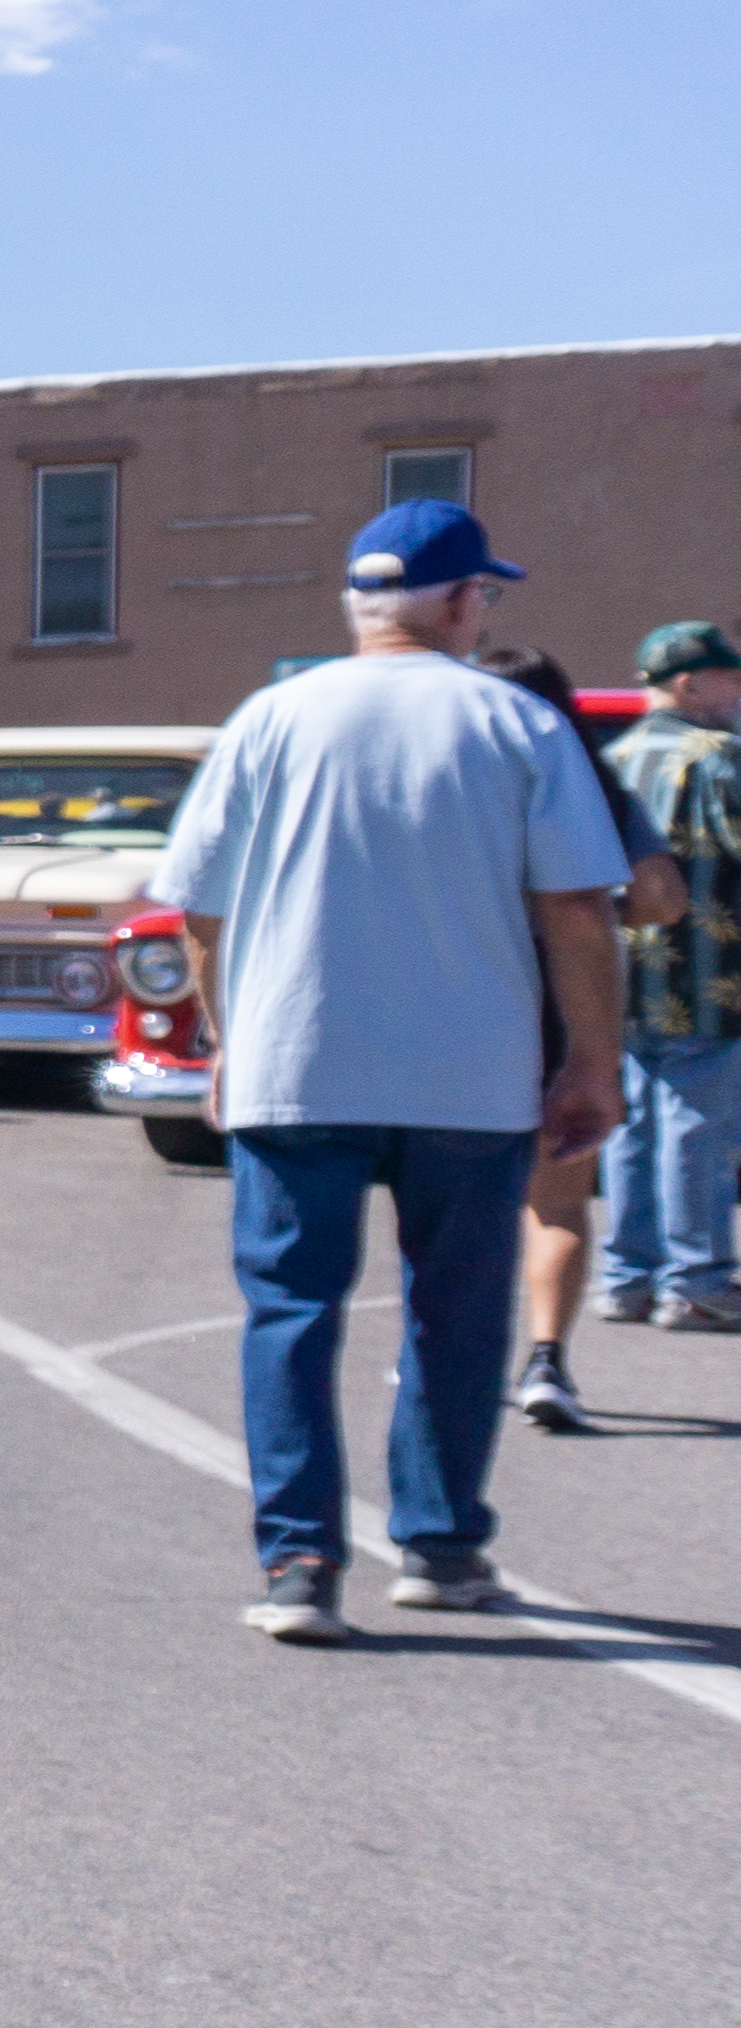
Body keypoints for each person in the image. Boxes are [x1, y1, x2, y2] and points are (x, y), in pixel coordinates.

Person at [139, 501, 629, 1645]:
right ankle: (443, 1544)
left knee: (290, 1312)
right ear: (462, 602)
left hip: (297, 1059)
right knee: (454, 1314)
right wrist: (592, 1062)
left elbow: (199, 910)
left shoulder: (268, 719)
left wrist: (227, 1040)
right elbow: (574, 909)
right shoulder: (517, 724)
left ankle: (300, 1562)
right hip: (469, 1069)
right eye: (483, 596)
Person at [474, 644, 680, 1430]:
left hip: (459, 1008)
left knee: (446, 1196)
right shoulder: (591, 782)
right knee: (557, 1202)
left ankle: (440, 1348)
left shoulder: (458, 785)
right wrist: (598, 918)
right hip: (567, 1008)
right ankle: (547, 1362)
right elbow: (661, 896)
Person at [603, 619, 741, 1330]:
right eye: (730, 676)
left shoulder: (618, 756)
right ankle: (697, 1280)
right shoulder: (718, 757)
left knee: (635, 1127)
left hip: (626, 974)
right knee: (697, 1128)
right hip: (709, 978)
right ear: (689, 683)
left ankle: (628, 1276)